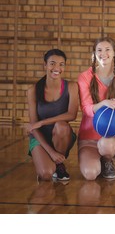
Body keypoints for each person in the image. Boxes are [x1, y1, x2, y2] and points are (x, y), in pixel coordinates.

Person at [78, 37, 115, 180]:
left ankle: (107, 159)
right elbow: (86, 109)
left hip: (111, 138)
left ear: (114, 53)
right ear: (94, 54)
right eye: (99, 50)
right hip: (89, 137)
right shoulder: (85, 77)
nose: (103, 53)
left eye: (108, 49)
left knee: (106, 145)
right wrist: (104, 103)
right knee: (90, 174)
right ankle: (96, 160)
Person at [26, 49, 78, 181]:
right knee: (45, 174)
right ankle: (50, 160)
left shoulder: (72, 87)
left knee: (61, 126)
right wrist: (51, 152)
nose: (57, 68)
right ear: (45, 65)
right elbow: (34, 127)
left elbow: (72, 115)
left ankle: (59, 164)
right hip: (39, 137)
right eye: (52, 63)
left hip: (61, 136)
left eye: (61, 64)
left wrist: (43, 122)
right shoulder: (33, 91)